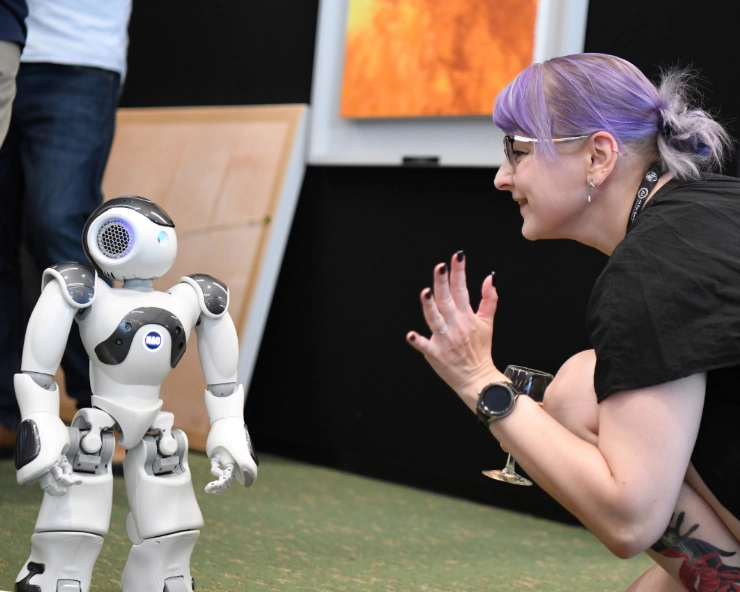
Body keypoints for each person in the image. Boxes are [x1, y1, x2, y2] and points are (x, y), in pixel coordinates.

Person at [407, 53, 740, 592]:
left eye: (517, 152)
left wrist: (479, 381)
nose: (500, 177)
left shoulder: (650, 271)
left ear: (599, 156)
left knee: (574, 393)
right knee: (586, 388)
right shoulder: (714, 210)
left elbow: (629, 520)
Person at [0, 0, 131, 452]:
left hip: (79, 56)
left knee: (60, 228)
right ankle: (8, 412)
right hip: (7, 44)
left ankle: (105, 407)